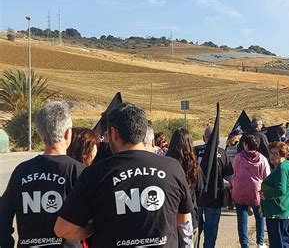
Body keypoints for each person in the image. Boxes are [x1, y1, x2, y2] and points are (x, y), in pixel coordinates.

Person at [54, 103, 194, 247]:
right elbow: (183, 221)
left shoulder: (94, 175)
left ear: (113, 133)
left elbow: (63, 229)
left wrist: (93, 227)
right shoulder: (172, 168)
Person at [0, 102, 84, 247]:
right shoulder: (77, 171)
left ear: (39, 134)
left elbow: (3, 216)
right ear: (67, 133)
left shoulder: (21, 171)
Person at [196, 126, 233, 248]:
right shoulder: (221, 153)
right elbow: (229, 177)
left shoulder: (195, 151)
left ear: (203, 138)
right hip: (215, 197)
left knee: (195, 230)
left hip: (196, 198)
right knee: (211, 233)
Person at [231, 134, 270, 248]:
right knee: (260, 218)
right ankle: (260, 242)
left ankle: (244, 244)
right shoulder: (262, 159)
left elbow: (232, 174)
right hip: (256, 193)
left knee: (242, 221)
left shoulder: (237, 158)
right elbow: (267, 177)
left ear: (245, 145)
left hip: (239, 192)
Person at [166, 128, 204, 247]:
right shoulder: (195, 167)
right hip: (190, 216)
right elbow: (201, 189)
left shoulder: (165, 166)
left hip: (169, 218)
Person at [261, 142, 289, 248]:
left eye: (275, 153)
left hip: (278, 212)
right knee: (282, 240)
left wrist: (265, 194)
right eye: (270, 153)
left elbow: (281, 190)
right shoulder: (286, 165)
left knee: (277, 242)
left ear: (283, 154)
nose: (271, 156)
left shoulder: (282, 169)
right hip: (283, 210)